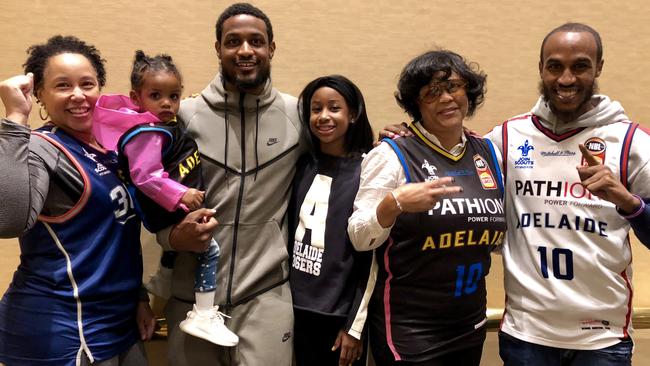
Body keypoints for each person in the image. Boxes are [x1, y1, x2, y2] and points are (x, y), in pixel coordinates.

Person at [484, 23, 650, 365]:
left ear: (599, 67)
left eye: (580, 66)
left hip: (603, 339)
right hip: (527, 335)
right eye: (555, 66)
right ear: (541, 68)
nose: (566, 79)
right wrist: (407, 138)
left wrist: (628, 202)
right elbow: (448, 158)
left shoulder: (631, 141)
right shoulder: (508, 137)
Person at [154, 3, 307, 365]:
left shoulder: (298, 115)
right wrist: (171, 238)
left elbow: (345, 157)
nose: (245, 51)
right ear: (218, 48)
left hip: (266, 296)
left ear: (272, 47)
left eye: (256, 41)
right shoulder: (183, 116)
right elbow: (145, 193)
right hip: (191, 300)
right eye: (232, 41)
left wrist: (394, 139)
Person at [0, 35, 152, 365]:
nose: (78, 95)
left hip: (117, 322)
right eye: (62, 86)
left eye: (87, 84)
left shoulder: (112, 148)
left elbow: (120, 235)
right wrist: (15, 118)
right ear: (39, 93)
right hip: (62, 330)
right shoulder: (43, 148)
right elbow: (7, 220)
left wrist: (139, 295)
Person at [348, 50, 506, 365]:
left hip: (469, 321)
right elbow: (358, 235)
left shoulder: (490, 152)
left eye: (454, 87)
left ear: (469, 92)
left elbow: (501, 237)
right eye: (432, 92)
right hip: (411, 330)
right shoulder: (391, 154)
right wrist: (394, 204)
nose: (446, 98)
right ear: (415, 103)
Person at [92, 50, 238, 347]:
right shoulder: (145, 133)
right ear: (136, 98)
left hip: (172, 212)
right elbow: (146, 176)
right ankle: (204, 312)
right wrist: (181, 193)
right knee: (209, 251)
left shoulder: (161, 127)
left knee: (180, 249)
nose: (167, 104)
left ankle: (164, 276)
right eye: (156, 96)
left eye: (174, 96)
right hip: (170, 209)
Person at [289, 75, 374, 366]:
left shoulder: (368, 170)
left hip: (339, 316)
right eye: (316, 109)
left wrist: (354, 327)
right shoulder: (301, 164)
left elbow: (372, 260)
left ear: (353, 114)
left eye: (334, 108)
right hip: (294, 309)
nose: (323, 116)